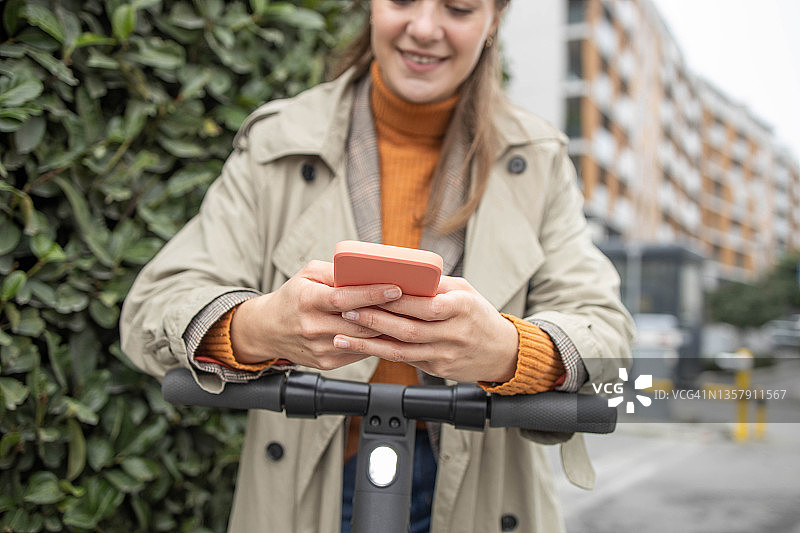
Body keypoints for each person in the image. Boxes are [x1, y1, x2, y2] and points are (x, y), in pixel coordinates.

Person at [120, 0, 633, 532]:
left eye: (458, 8)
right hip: (307, 487)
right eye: (403, 0)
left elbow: (604, 328)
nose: (425, 28)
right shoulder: (278, 140)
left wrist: (507, 350)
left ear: (493, 22)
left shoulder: (539, 160)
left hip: (479, 490)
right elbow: (153, 308)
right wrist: (260, 328)